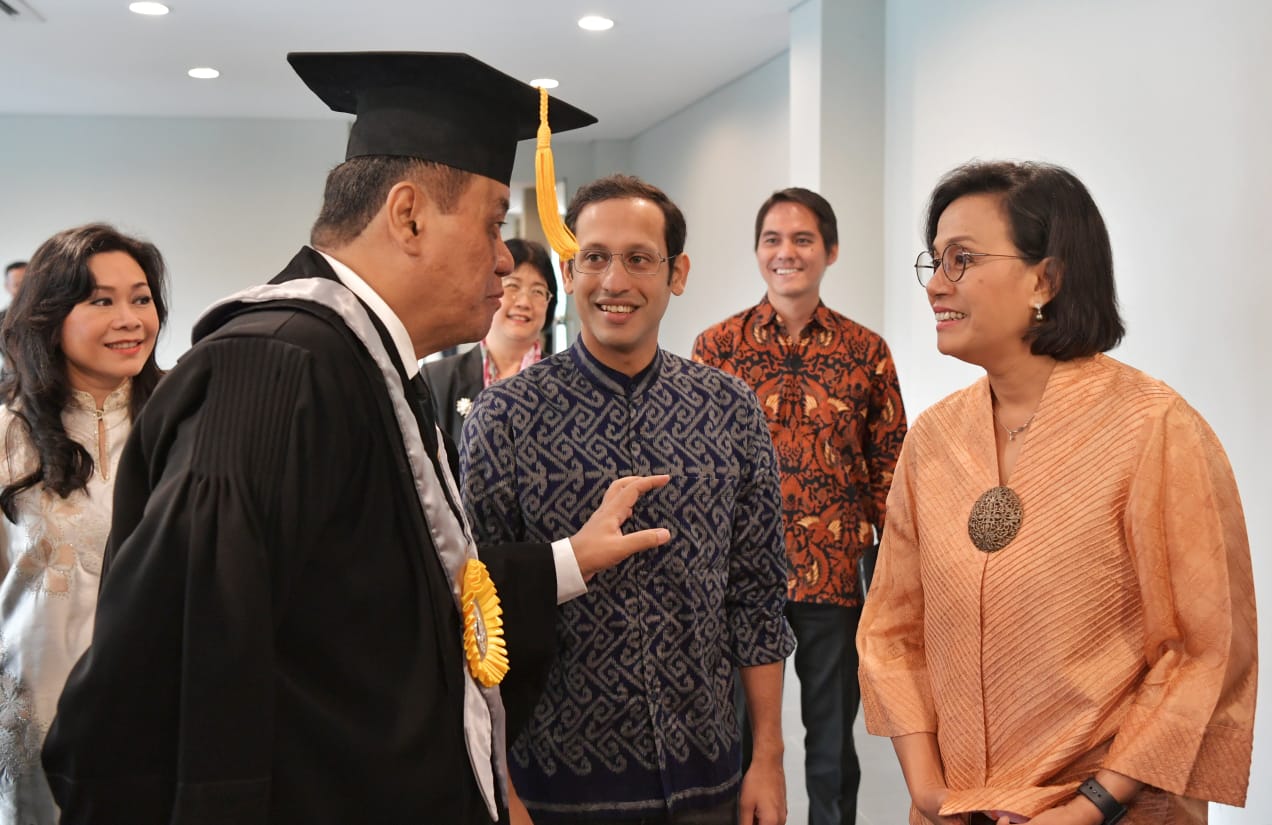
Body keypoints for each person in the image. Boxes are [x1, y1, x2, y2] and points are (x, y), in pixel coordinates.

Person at [41, 52, 674, 825]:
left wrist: (569, 559)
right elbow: (169, 686)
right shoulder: (275, 371)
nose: (506, 256)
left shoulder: (367, 366)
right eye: (491, 220)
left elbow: (386, 599)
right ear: (408, 215)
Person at [857, 160, 1256, 825]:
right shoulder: (931, 437)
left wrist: (1091, 804)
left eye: (963, 259)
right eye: (935, 261)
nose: (938, 285)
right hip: (958, 810)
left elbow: (1204, 649)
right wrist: (930, 791)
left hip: (1114, 811)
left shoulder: (1156, 428)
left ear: (1045, 277)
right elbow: (893, 631)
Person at [462, 174, 796, 825]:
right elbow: (471, 606)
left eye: (639, 258)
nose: (615, 280)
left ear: (677, 272)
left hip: (710, 776)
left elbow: (757, 593)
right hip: (554, 784)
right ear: (570, 268)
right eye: (595, 258)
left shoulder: (730, 409)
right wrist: (502, 783)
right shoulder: (505, 417)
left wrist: (770, 758)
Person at [693, 187, 907, 825]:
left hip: (833, 575)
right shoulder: (717, 349)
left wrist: (899, 577)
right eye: (773, 240)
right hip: (738, 579)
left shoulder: (867, 352)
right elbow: (701, 471)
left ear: (830, 251)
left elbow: (889, 470)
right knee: (733, 738)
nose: (786, 253)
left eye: (802, 239)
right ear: (758, 253)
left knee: (832, 746)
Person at [0, 224, 167, 825]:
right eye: (101, 301)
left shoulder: (185, 424)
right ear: (48, 316)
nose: (129, 319)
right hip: (33, 716)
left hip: (157, 710)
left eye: (141, 298)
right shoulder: (7, 436)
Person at [424, 237, 557, 443]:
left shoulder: (568, 381)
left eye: (538, 291)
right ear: (489, 290)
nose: (524, 302)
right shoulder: (437, 379)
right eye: (513, 286)